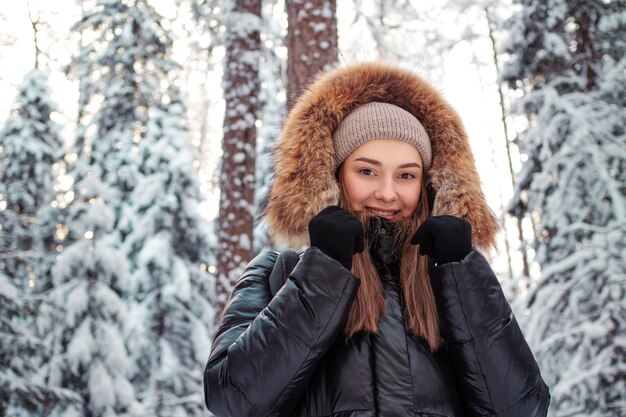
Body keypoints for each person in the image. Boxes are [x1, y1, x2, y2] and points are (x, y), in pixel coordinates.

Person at [204, 62, 550, 417]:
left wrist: (462, 273)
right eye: (367, 171)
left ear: (427, 184)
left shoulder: (451, 278)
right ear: (334, 176)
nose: (387, 193)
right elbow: (232, 399)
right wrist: (322, 271)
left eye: (405, 175)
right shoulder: (275, 274)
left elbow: (523, 409)